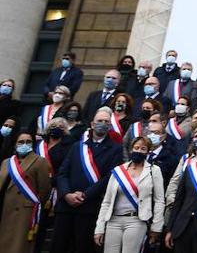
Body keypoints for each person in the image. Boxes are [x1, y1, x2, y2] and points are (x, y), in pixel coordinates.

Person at [52, 107, 126, 253]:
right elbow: (62, 174)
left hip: (89, 207)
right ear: (92, 124)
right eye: (99, 121)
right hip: (66, 206)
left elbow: (109, 178)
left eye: (106, 121)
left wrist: (85, 195)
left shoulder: (116, 149)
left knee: (81, 247)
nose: (102, 124)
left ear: (110, 126)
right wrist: (67, 194)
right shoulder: (77, 147)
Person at [93, 135, 165, 253]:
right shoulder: (118, 171)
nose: (139, 151)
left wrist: (156, 226)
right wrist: (99, 228)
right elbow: (107, 201)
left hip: (136, 220)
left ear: (148, 152)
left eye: (143, 148)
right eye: (136, 148)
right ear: (131, 149)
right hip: (113, 220)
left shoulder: (154, 170)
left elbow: (159, 200)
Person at [0, 130, 53, 253]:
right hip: (5, 209)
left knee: (19, 246)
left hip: (25, 211)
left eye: (28, 142)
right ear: (15, 144)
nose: (25, 144)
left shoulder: (40, 162)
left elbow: (44, 190)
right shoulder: (6, 162)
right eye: (21, 142)